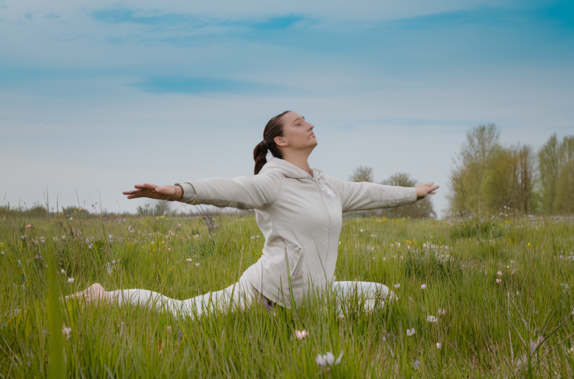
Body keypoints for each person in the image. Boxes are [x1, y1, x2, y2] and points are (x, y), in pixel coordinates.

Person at [73, 111, 438, 318]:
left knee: (383, 296)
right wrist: (179, 191)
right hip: (268, 295)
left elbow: (368, 192)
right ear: (281, 141)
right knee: (182, 312)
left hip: (316, 295)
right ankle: (102, 296)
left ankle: (314, 327)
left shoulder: (325, 183)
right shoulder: (273, 181)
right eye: (299, 123)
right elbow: (230, 189)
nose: (309, 124)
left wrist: (414, 192)